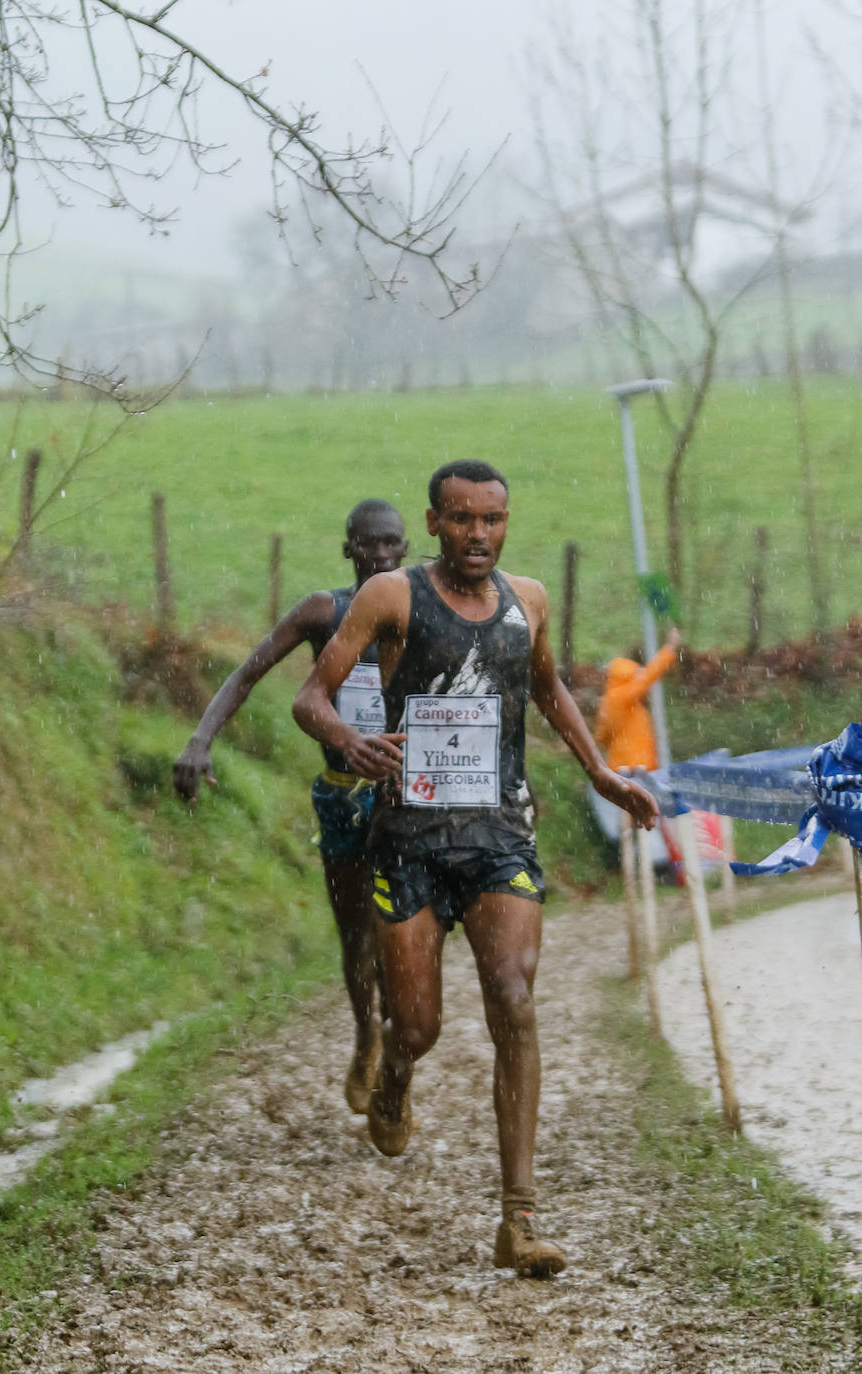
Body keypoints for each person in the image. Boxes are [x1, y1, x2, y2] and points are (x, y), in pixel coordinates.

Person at [293, 459, 657, 1278]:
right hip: (408, 841)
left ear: (506, 522)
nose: (479, 535)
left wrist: (600, 772)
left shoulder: (529, 600)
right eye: (462, 519)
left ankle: (518, 1219)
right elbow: (310, 698)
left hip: (498, 836)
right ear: (434, 524)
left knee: (515, 999)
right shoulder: (391, 597)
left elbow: (548, 688)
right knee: (418, 1026)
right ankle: (394, 1073)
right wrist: (350, 740)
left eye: (492, 520)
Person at [173, 499, 409, 1114]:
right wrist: (200, 740)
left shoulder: (424, 609)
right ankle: (366, 1033)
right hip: (341, 794)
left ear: (407, 548)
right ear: (349, 550)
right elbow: (246, 674)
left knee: (401, 933)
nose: (382, 555)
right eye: (370, 543)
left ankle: (395, 1054)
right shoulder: (323, 612)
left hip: (408, 798)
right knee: (356, 934)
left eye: (392, 542)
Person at [595, 627, 682, 772]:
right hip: (635, 767)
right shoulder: (623, 695)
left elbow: (602, 736)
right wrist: (670, 647)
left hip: (618, 766)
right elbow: (649, 675)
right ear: (627, 677)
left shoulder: (607, 701)